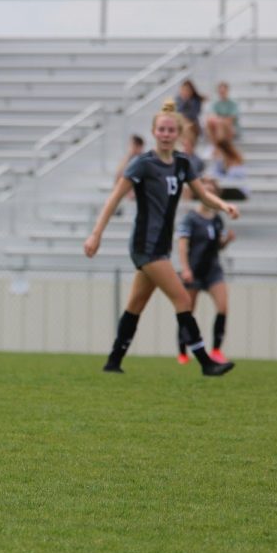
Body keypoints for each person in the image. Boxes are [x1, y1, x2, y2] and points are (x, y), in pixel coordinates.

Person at [83, 99, 240, 376]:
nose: (166, 134)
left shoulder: (182, 163)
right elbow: (114, 199)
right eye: (161, 130)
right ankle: (205, 362)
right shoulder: (143, 164)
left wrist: (223, 205)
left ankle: (113, 361)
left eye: (171, 130)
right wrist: (96, 235)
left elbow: (203, 195)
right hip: (146, 246)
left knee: (136, 305)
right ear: (154, 132)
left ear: (178, 134)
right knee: (182, 299)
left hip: (160, 246)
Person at [176, 177, 236, 365]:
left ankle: (216, 349)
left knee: (223, 307)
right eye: (205, 191)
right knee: (187, 311)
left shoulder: (217, 219)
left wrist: (226, 241)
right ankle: (183, 352)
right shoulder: (190, 218)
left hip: (212, 271)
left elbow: (216, 246)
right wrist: (185, 268)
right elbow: (183, 245)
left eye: (212, 191)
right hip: (194, 270)